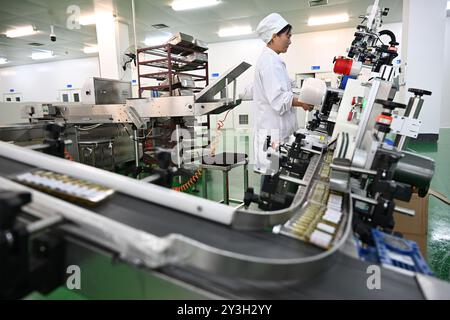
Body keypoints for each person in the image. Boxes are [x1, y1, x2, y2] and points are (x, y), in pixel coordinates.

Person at [252, 13, 313, 174]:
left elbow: (285, 89)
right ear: (274, 36)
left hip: (277, 135)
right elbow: (278, 99)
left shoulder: (273, 60)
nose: (290, 40)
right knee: (272, 182)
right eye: (287, 35)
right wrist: (302, 102)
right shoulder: (269, 62)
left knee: (278, 177)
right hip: (272, 137)